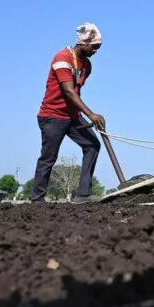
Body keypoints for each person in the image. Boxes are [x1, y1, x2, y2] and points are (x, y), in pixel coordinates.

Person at [30, 22, 106, 204]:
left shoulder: (86, 65)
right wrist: (92, 115)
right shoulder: (62, 58)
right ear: (84, 43)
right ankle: (37, 199)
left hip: (73, 117)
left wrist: (84, 115)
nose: (96, 51)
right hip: (52, 116)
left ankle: (83, 194)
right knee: (49, 157)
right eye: (94, 46)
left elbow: (76, 90)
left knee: (92, 145)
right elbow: (69, 91)